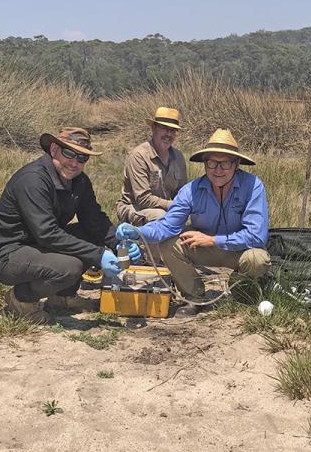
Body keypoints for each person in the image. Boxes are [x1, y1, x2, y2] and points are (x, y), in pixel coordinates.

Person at [0, 126, 140, 323]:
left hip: (37, 245)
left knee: (89, 235)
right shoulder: (33, 180)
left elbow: (94, 220)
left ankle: (62, 298)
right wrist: (98, 255)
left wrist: (117, 242)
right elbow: (47, 233)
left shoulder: (79, 181)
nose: (74, 163)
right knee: (69, 267)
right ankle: (21, 300)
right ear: (53, 150)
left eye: (82, 158)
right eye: (69, 154)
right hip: (7, 253)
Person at [115, 128, 271, 317]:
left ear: (237, 164)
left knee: (258, 260)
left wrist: (213, 240)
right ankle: (195, 297)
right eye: (212, 162)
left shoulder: (253, 186)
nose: (218, 170)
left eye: (226, 163)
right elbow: (167, 226)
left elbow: (256, 235)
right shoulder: (191, 190)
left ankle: (241, 291)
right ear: (205, 163)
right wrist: (138, 231)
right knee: (169, 244)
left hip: (240, 250)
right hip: (202, 247)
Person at [116, 106, 188, 226]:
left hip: (163, 208)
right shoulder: (139, 156)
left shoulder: (178, 157)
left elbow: (181, 193)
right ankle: (142, 241)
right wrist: (175, 206)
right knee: (160, 216)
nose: (168, 134)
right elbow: (143, 199)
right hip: (134, 207)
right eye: (164, 129)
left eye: (173, 130)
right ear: (153, 128)